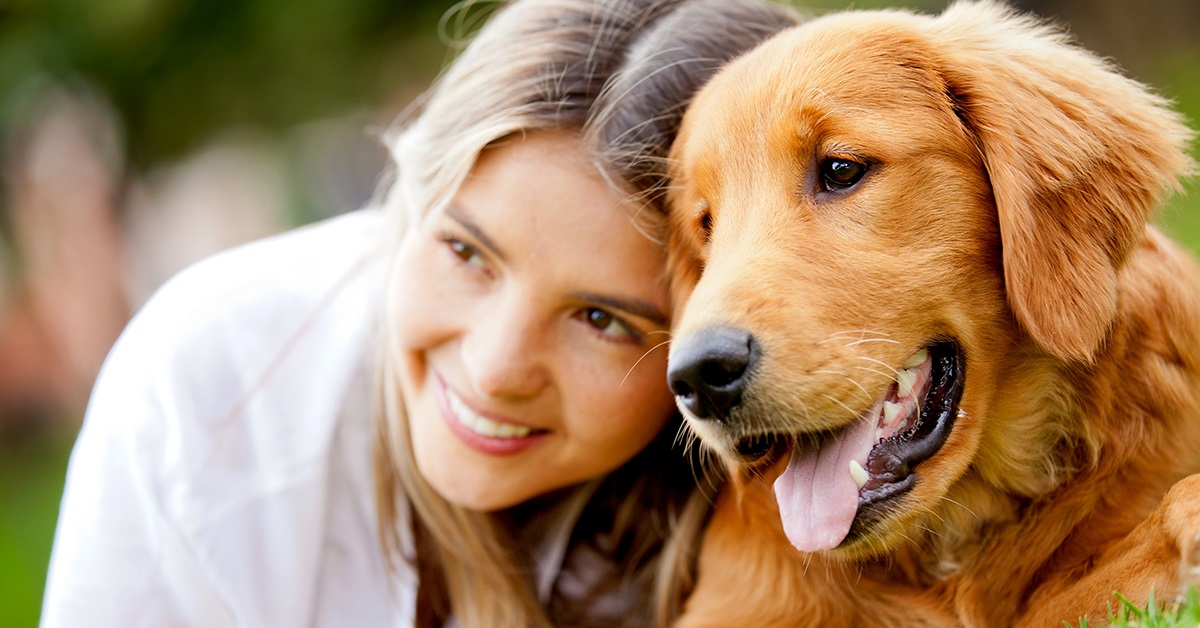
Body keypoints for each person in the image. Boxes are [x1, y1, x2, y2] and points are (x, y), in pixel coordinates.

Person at [40, 0, 799, 626]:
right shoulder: (212, 390)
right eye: (467, 253)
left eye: (603, 320)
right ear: (411, 192)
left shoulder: (777, 505)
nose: (495, 368)